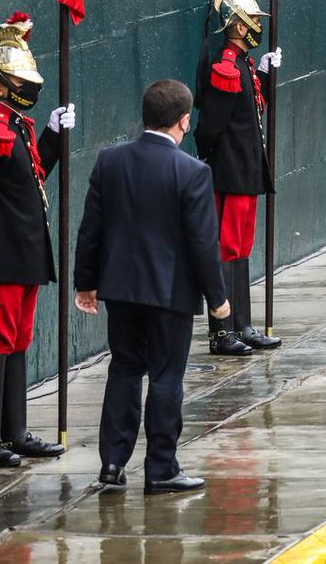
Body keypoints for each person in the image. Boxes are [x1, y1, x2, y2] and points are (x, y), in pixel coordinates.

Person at [75, 80, 230, 494]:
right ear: (183, 120)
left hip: (121, 290)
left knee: (124, 370)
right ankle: (161, 467)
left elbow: (90, 230)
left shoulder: (110, 162)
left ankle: (112, 464)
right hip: (170, 294)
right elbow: (203, 243)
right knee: (166, 376)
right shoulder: (193, 172)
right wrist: (217, 298)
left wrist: (85, 283)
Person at [0, 12, 73, 467]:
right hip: (0, 255)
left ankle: (14, 430)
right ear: (0, 86)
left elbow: (33, 178)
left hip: (22, 254)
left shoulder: (19, 128)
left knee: (18, 339)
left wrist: (52, 135)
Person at [193, 0, 281, 356]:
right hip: (229, 171)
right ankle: (222, 331)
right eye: (253, 21)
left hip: (245, 170)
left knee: (241, 248)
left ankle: (242, 324)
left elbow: (253, 111)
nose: (257, 26)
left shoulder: (243, 64)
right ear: (238, 26)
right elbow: (210, 126)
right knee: (226, 248)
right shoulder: (227, 66)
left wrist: (264, 73)